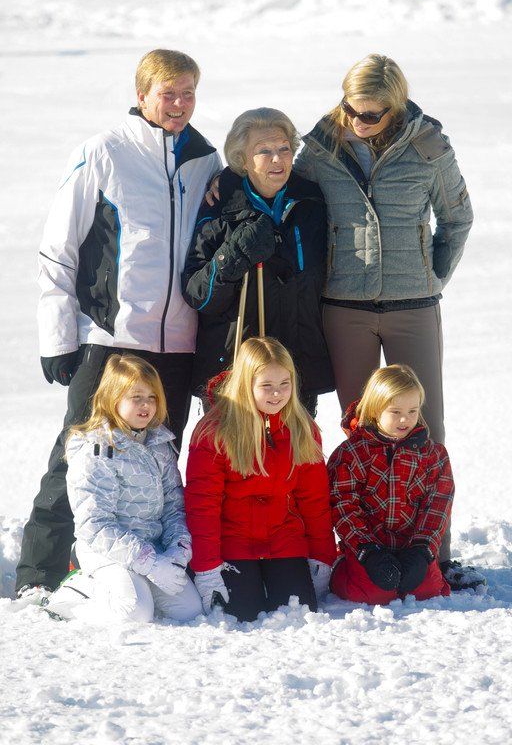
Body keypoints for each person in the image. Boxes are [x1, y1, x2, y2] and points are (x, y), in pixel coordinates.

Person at [16, 49, 222, 603]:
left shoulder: (206, 160)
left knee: (157, 470)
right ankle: (40, 575)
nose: (178, 104)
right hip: (109, 340)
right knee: (79, 455)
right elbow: (58, 249)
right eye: (168, 93)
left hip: (177, 344)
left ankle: (141, 574)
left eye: (188, 93)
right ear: (142, 94)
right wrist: (59, 335)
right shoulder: (103, 152)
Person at [293, 53, 482, 588]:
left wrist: (430, 275)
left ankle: (434, 557)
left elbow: (457, 217)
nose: (359, 121)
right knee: (362, 430)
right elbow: (286, 195)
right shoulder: (322, 146)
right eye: (352, 109)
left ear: (395, 107)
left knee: (424, 429)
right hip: (345, 308)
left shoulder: (428, 147)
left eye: (372, 114)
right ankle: (365, 553)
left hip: (412, 306)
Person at [182, 107, 334, 417]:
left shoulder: (313, 203)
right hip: (235, 370)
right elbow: (199, 295)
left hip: (294, 371)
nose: (277, 159)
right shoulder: (220, 206)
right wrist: (234, 254)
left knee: (293, 449)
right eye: (264, 151)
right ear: (242, 159)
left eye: (284, 148)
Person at [184, 337, 337, 622]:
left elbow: (314, 500)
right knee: (242, 614)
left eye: (284, 384)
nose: (277, 394)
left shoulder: (302, 428)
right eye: (266, 385)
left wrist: (322, 557)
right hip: (232, 543)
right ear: (246, 384)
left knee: (296, 612)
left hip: (284, 540)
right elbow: (203, 506)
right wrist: (206, 568)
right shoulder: (214, 431)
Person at [44, 354, 202, 623]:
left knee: (188, 610)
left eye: (152, 397)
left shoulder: (160, 444)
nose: (146, 405)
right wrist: (149, 563)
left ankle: (137, 585)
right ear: (112, 398)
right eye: (136, 397)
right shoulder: (97, 449)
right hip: (107, 551)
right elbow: (95, 524)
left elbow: (174, 507)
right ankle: (78, 592)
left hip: (152, 549)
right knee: (135, 612)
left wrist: (177, 551)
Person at [328, 365, 453, 606]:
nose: (405, 419)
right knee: (371, 594)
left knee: (429, 589)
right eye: (395, 411)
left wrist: (422, 550)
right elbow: (343, 505)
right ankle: (341, 568)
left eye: (412, 411)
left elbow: (438, 506)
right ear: (376, 409)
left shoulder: (433, 455)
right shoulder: (352, 453)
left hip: (412, 545)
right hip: (368, 548)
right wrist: (366, 551)